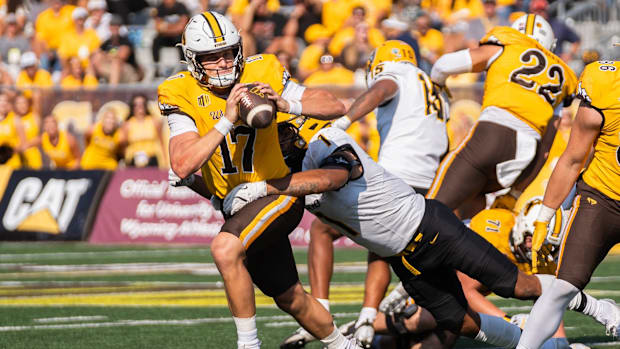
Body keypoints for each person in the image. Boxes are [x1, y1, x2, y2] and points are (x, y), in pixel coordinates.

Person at [223, 125, 616, 348]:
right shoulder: (289, 183)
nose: (285, 152)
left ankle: (600, 310)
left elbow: (334, 177)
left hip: (433, 227)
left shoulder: (328, 143)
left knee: (521, 287)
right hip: (404, 258)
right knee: (459, 322)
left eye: (286, 145)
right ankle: (531, 342)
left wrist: (270, 187)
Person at [159, 11, 351, 349]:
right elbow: (183, 163)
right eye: (209, 57)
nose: (221, 63)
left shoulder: (262, 70)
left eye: (226, 53)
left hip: (278, 192)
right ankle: (344, 345)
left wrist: (286, 101)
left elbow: (334, 105)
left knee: (224, 248)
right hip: (239, 207)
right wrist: (227, 119)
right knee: (290, 297)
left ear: (239, 50)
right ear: (192, 59)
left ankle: (248, 346)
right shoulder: (179, 91)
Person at [283, 40, 449, 348]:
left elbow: (382, 88)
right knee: (383, 246)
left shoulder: (396, 74)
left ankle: (319, 310)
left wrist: (344, 121)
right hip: (431, 182)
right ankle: (367, 317)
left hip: (398, 174)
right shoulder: (436, 91)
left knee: (321, 231)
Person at [427, 14, 578, 219]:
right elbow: (545, 150)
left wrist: (438, 85)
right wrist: (516, 193)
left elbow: (443, 65)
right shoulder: (563, 76)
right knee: (473, 210)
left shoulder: (507, 45)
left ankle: (408, 247)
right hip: (526, 156)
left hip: (493, 135)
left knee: (431, 209)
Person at [516, 60, 620, 348]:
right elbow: (574, 157)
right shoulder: (605, 84)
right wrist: (544, 217)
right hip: (603, 199)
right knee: (563, 286)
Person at [122, 94, 164, 167]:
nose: (139, 106)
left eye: (142, 104)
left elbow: (161, 143)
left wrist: (164, 162)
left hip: (152, 159)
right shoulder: (127, 124)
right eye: (136, 104)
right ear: (132, 107)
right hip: (133, 161)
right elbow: (123, 146)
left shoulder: (154, 122)